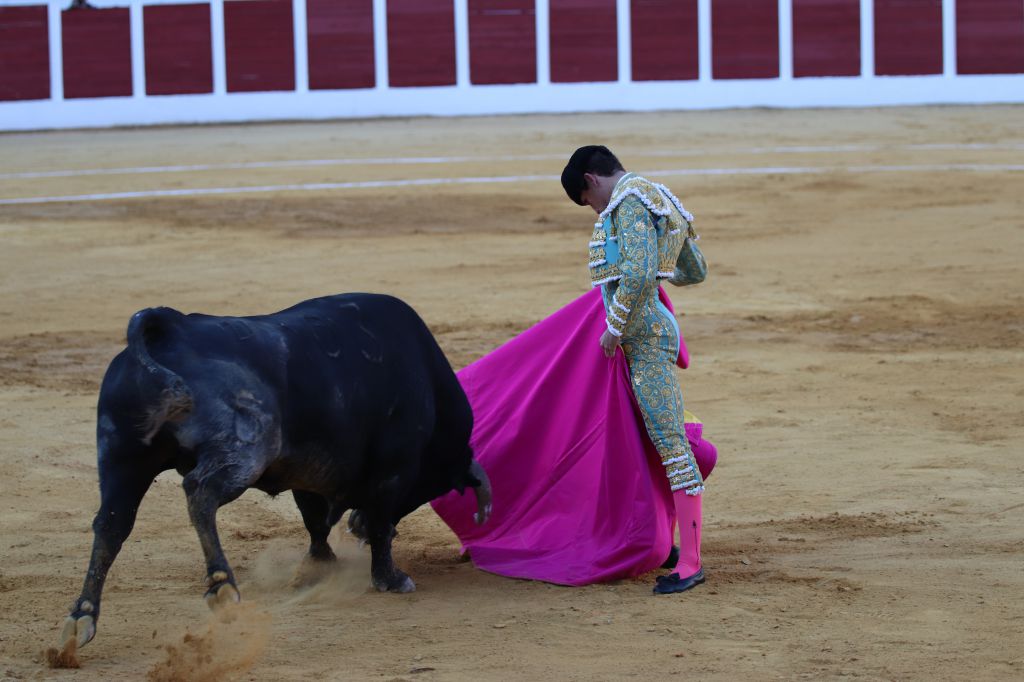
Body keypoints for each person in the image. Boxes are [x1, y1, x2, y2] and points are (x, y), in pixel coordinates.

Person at [560, 145, 707, 594]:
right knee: (647, 442)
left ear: (591, 180)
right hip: (649, 334)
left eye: (588, 201)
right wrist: (663, 264)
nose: (594, 209)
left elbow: (640, 276)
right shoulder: (659, 197)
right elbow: (695, 270)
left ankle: (691, 564)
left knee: (670, 445)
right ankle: (665, 543)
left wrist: (614, 328)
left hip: (642, 341)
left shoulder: (626, 202)